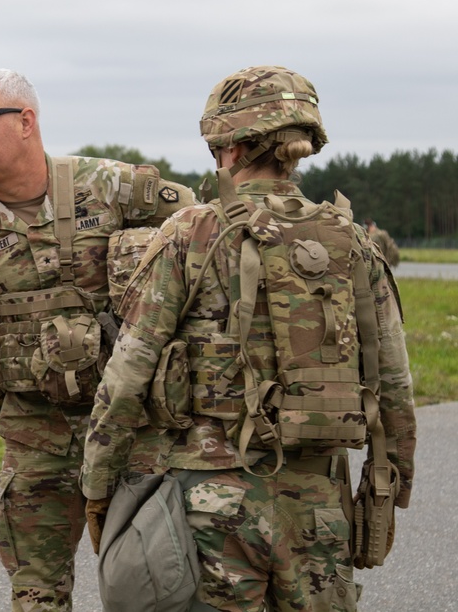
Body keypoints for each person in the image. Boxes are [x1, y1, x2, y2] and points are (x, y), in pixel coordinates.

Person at [81, 65, 417, 611]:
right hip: (319, 500)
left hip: (212, 503)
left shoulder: (191, 233)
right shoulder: (353, 242)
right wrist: (390, 488)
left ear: (228, 147)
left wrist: (98, 484)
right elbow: (394, 383)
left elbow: (128, 372)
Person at [0, 68, 196, 611]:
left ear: (26, 121)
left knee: (156, 587)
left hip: (135, 429)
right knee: (37, 596)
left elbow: (207, 243)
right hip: (38, 440)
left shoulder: (116, 190)